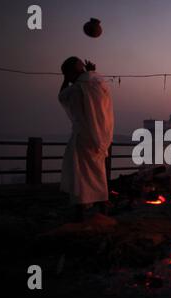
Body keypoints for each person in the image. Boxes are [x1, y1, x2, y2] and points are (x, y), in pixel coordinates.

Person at [58, 57, 114, 220]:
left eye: (67, 73)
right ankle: (103, 210)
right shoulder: (99, 83)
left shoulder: (77, 88)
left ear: (71, 73)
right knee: (99, 174)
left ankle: (80, 214)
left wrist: (65, 80)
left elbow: (62, 97)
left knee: (80, 176)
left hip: (83, 138)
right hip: (100, 139)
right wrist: (91, 72)